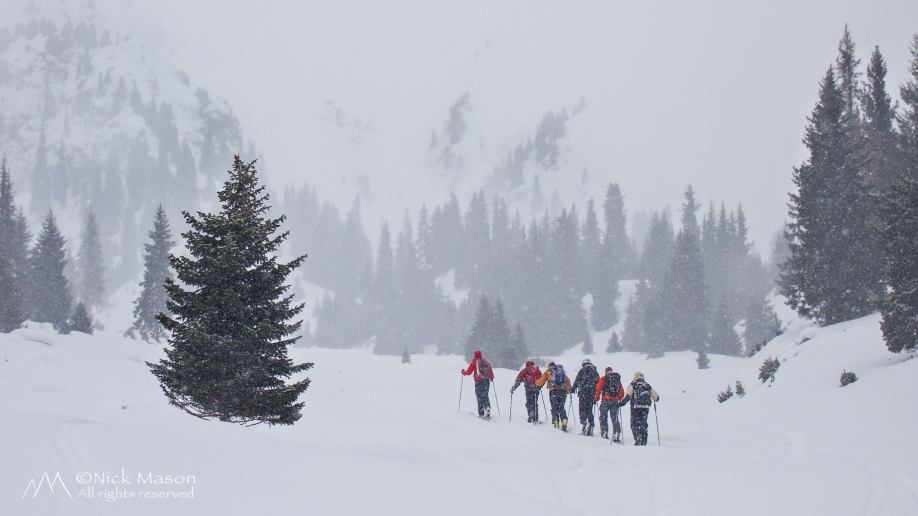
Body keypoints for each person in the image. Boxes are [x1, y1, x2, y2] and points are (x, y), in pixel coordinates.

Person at [617, 371, 660, 446]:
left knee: (634, 424)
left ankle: (637, 438)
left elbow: (628, 395)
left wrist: (621, 403)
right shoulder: (647, 385)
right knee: (643, 423)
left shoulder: (633, 384)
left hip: (635, 407)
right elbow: (656, 398)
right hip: (645, 408)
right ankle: (644, 440)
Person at [535, 362, 571, 431]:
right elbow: (568, 380)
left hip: (553, 392)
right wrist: (568, 389)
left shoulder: (548, 372)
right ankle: (564, 421)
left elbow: (541, 381)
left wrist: (536, 383)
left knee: (554, 408)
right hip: (563, 392)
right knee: (561, 407)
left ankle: (556, 423)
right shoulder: (560, 371)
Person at [595, 366, 625, 441]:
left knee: (603, 417)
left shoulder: (604, 378)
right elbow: (622, 392)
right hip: (615, 402)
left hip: (605, 400)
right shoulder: (617, 379)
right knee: (614, 417)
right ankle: (617, 432)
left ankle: (604, 432)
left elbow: (598, 389)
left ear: (606, 372)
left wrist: (597, 398)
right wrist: (618, 398)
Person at [462, 350, 495, 419]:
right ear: (481, 355)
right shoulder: (486, 362)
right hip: (486, 381)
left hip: (478, 381)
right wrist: (491, 378)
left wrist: (463, 372)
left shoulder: (474, 362)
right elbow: (490, 371)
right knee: (485, 395)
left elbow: (468, 372)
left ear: (474, 356)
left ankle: (481, 414)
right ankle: (487, 407)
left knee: (479, 397)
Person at [571, 359, 599, 436]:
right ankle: (591, 426)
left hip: (583, 393)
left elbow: (577, 381)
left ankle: (584, 422)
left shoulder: (582, 370)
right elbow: (598, 383)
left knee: (582, 409)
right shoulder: (595, 371)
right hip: (592, 394)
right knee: (589, 410)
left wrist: (573, 389)